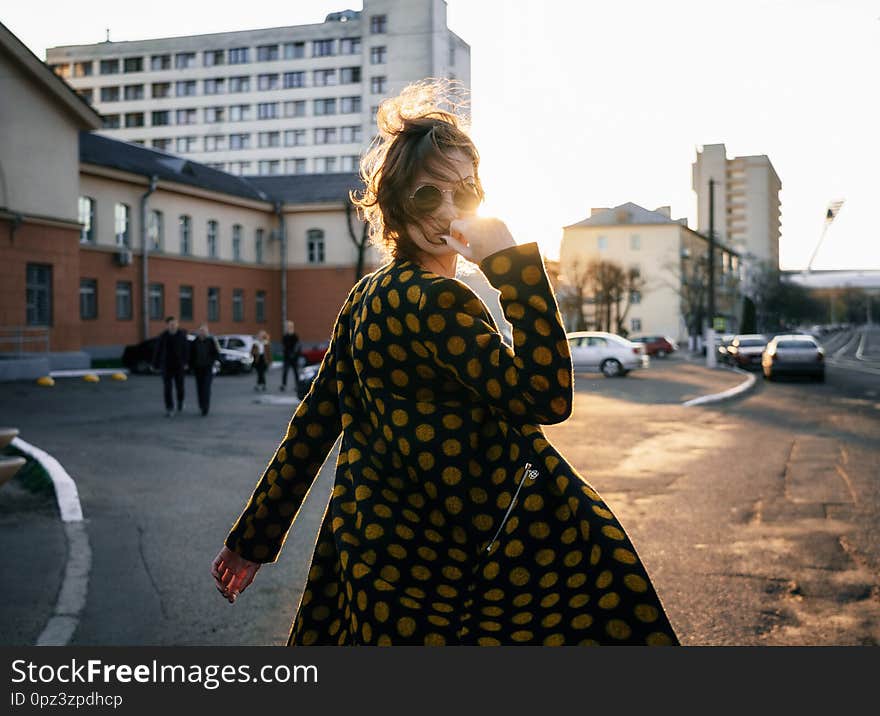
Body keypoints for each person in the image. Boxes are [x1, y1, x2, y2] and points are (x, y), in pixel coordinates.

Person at [212, 80, 679, 646]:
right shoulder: (438, 302)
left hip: (370, 559)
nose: (450, 211)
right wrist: (512, 267)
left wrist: (252, 541)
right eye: (428, 194)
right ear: (392, 204)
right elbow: (548, 397)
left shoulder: (364, 296)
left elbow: (311, 427)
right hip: (451, 571)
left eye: (466, 190)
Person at [153, 316, 188, 417]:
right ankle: (170, 407)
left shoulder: (182, 335)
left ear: (177, 324)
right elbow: (158, 350)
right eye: (171, 324)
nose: (173, 326)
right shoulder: (163, 336)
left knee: (180, 387)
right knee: (167, 388)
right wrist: (155, 364)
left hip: (179, 366)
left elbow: (186, 350)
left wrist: (186, 362)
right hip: (167, 366)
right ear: (167, 325)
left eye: (174, 324)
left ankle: (180, 401)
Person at [189, 323, 221, 416]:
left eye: (205, 331)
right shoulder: (194, 342)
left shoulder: (211, 341)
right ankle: (201, 405)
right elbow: (191, 355)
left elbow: (216, 353)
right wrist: (190, 366)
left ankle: (205, 407)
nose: (203, 332)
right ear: (198, 332)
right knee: (199, 388)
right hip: (198, 368)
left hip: (208, 368)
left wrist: (216, 361)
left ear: (207, 332)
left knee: (206, 388)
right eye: (201, 330)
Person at [280, 320, 301, 395]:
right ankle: (283, 385)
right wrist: (286, 353)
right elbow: (284, 346)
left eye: (290, 326)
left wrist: (295, 354)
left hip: (294, 357)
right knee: (285, 371)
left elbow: (298, 346)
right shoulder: (285, 336)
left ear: (292, 327)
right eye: (287, 326)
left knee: (295, 372)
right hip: (287, 357)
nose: (289, 328)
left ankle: (298, 385)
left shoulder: (295, 336)